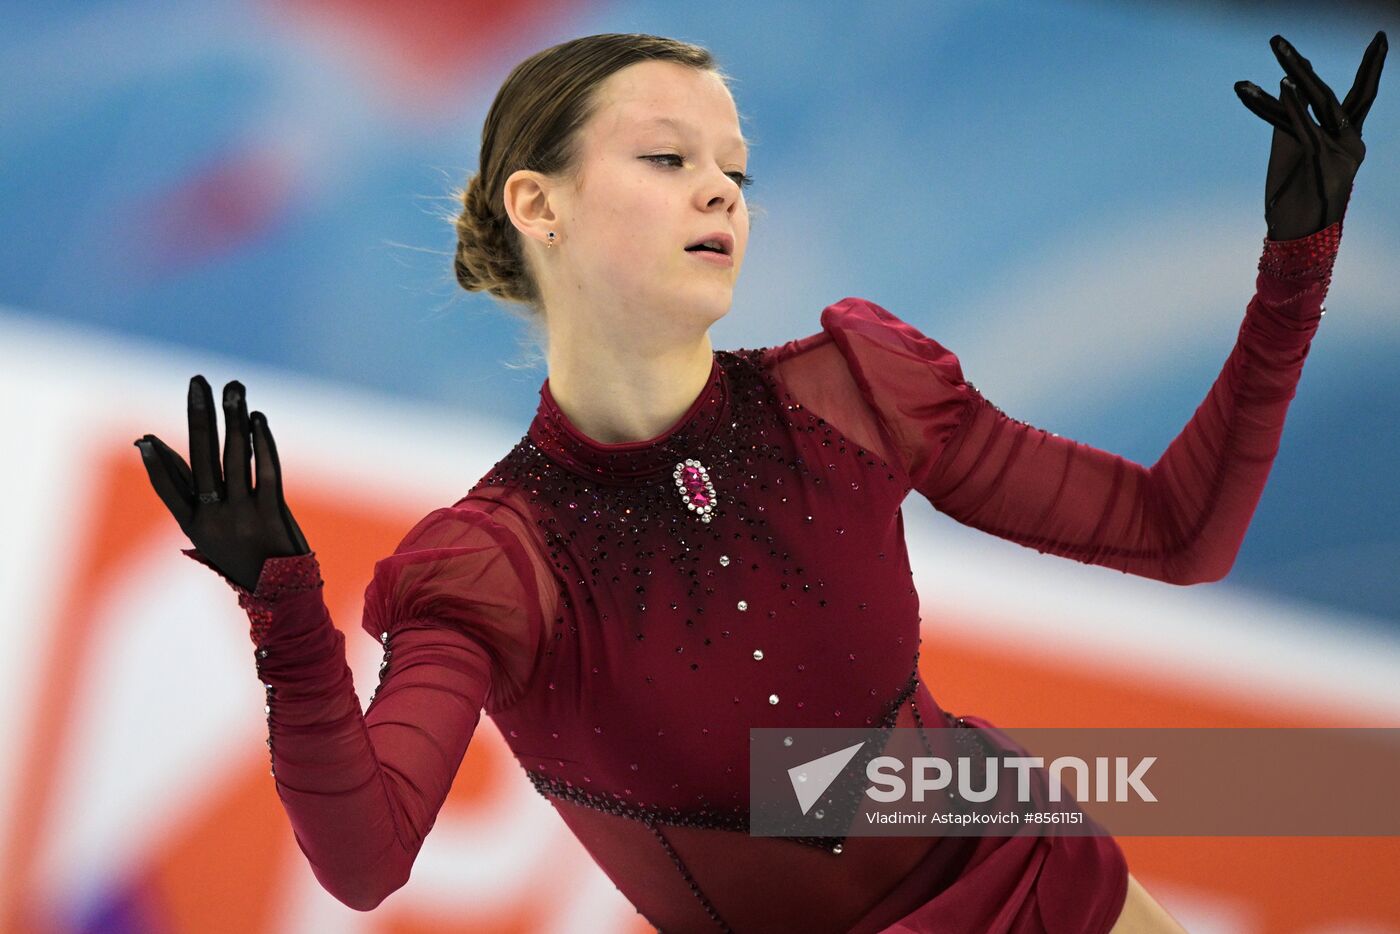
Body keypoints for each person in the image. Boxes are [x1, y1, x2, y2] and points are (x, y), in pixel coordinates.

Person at [133, 30, 1386, 933]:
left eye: (732, 163)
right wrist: (287, 616)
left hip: (1034, 877)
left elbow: (1175, 534)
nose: (720, 186)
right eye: (666, 157)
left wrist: (1294, 264)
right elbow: (363, 863)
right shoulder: (495, 565)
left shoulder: (854, 391)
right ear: (539, 204)